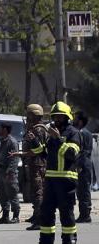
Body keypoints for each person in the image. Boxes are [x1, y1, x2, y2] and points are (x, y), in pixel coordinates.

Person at [37, 102, 81, 244]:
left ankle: (69, 241)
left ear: (67, 118)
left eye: (60, 117)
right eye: (55, 117)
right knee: (46, 212)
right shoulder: (52, 133)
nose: (57, 120)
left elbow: (71, 154)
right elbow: (45, 152)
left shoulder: (73, 133)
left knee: (66, 214)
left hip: (66, 181)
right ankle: (46, 241)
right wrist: (34, 143)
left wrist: (58, 140)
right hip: (50, 180)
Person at [15, 103, 50, 230]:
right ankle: (36, 215)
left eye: (29, 115)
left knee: (38, 192)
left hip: (38, 165)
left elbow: (39, 149)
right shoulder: (35, 128)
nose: (27, 118)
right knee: (34, 192)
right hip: (34, 164)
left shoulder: (39, 130)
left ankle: (40, 219)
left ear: (34, 115)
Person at [0, 122, 21, 224]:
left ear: (5, 129)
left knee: (12, 194)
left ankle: (16, 216)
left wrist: (10, 172)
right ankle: (5, 216)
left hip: (9, 172)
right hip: (1, 171)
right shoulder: (3, 141)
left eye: (0, 128)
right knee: (2, 194)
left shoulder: (12, 142)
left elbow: (14, 159)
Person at [73, 111, 93, 223]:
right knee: (81, 190)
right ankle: (84, 213)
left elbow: (84, 151)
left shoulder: (83, 133)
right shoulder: (83, 132)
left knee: (83, 190)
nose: (73, 120)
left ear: (80, 121)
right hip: (83, 164)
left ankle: (85, 215)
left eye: (75, 118)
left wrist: (79, 165)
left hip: (83, 165)